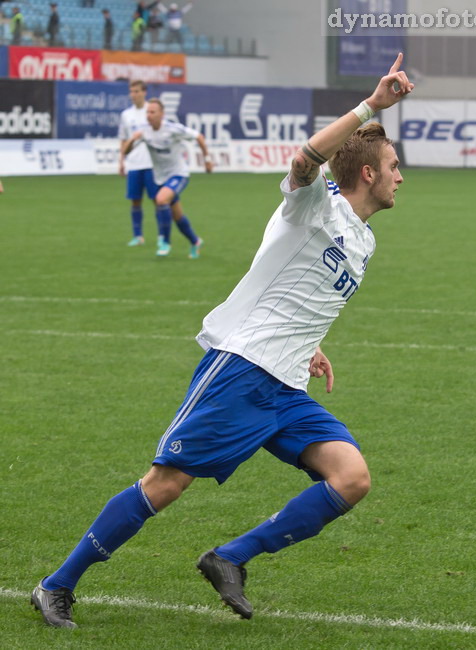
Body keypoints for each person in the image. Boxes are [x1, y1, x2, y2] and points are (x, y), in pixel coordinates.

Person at [30, 53, 414, 629]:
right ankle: (56, 585)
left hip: (285, 384)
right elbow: (306, 158)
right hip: (241, 369)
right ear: (367, 173)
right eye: (393, 165)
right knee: (165, 484)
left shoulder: (363, 241)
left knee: (352, 477)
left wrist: (309, 343)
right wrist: (371, 105)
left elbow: (300, 293)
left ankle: (229, 558)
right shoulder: (314, 204)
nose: (400, 175)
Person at [124, 97, 212, 258]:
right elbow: (126, 152)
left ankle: (164, 241)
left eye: (153, 112)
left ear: (161, 114)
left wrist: (206, 160)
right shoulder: (143, 131)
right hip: (160, 178)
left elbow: (199, 137)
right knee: (177, 216)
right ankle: (195, 241)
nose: (149, 115)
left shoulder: (173, 129)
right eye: (147, 112)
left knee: (161, 200)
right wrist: (132, 139)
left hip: (179, 174)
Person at [118, 80, 158, 248]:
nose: (133, 95)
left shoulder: (152, 111)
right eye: (131, 91)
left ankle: (162, 237)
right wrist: (121, 161)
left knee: (158, 201)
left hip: (151, 164)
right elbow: (123, 139)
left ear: (144, 92)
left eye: (136, 91)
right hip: (134, 164)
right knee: (135, 201)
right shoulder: (126, 115)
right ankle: (138, 236)